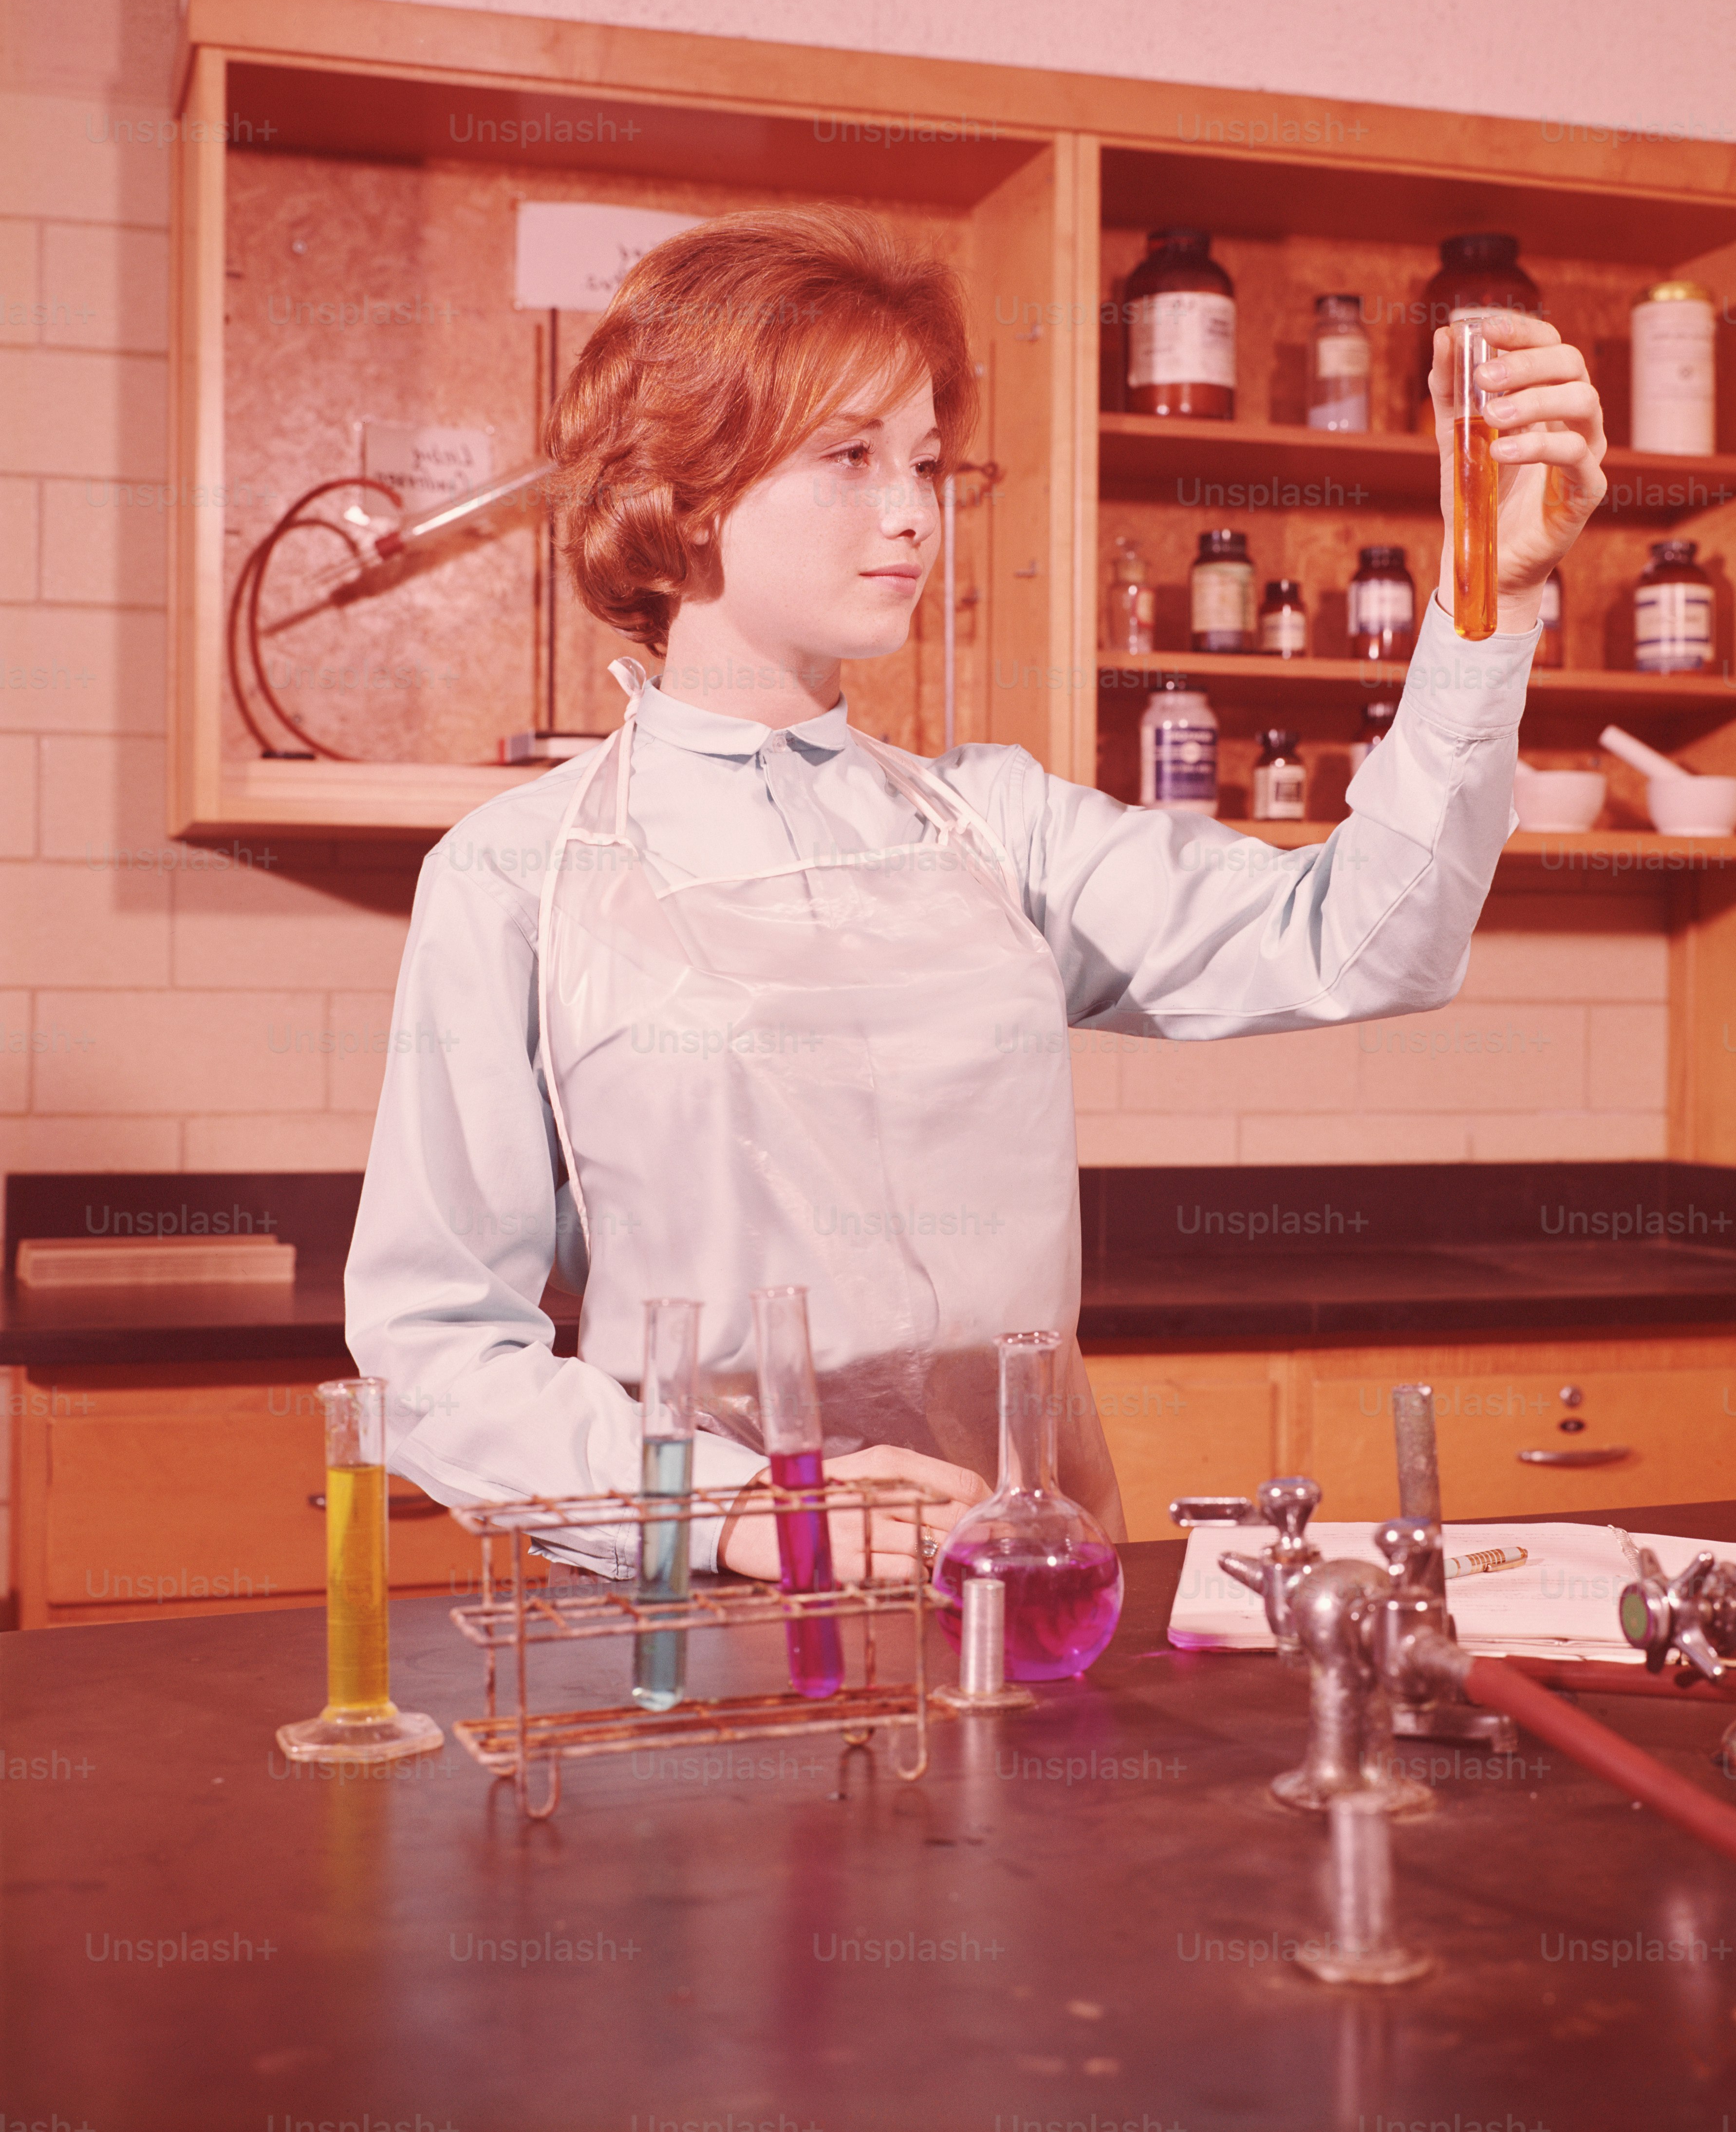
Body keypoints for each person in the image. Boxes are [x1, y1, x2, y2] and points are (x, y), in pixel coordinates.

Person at [345, 206, 1605, 1585]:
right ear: (685, 491)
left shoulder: (991, 824)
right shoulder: (518, 871)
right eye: (851, 458)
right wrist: (761, 1515)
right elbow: (433, 1350)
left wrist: (1493, 588)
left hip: (1024, 1584)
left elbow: (1371, 939)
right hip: (706, 1623)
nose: (911, 512)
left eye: (927, 463)